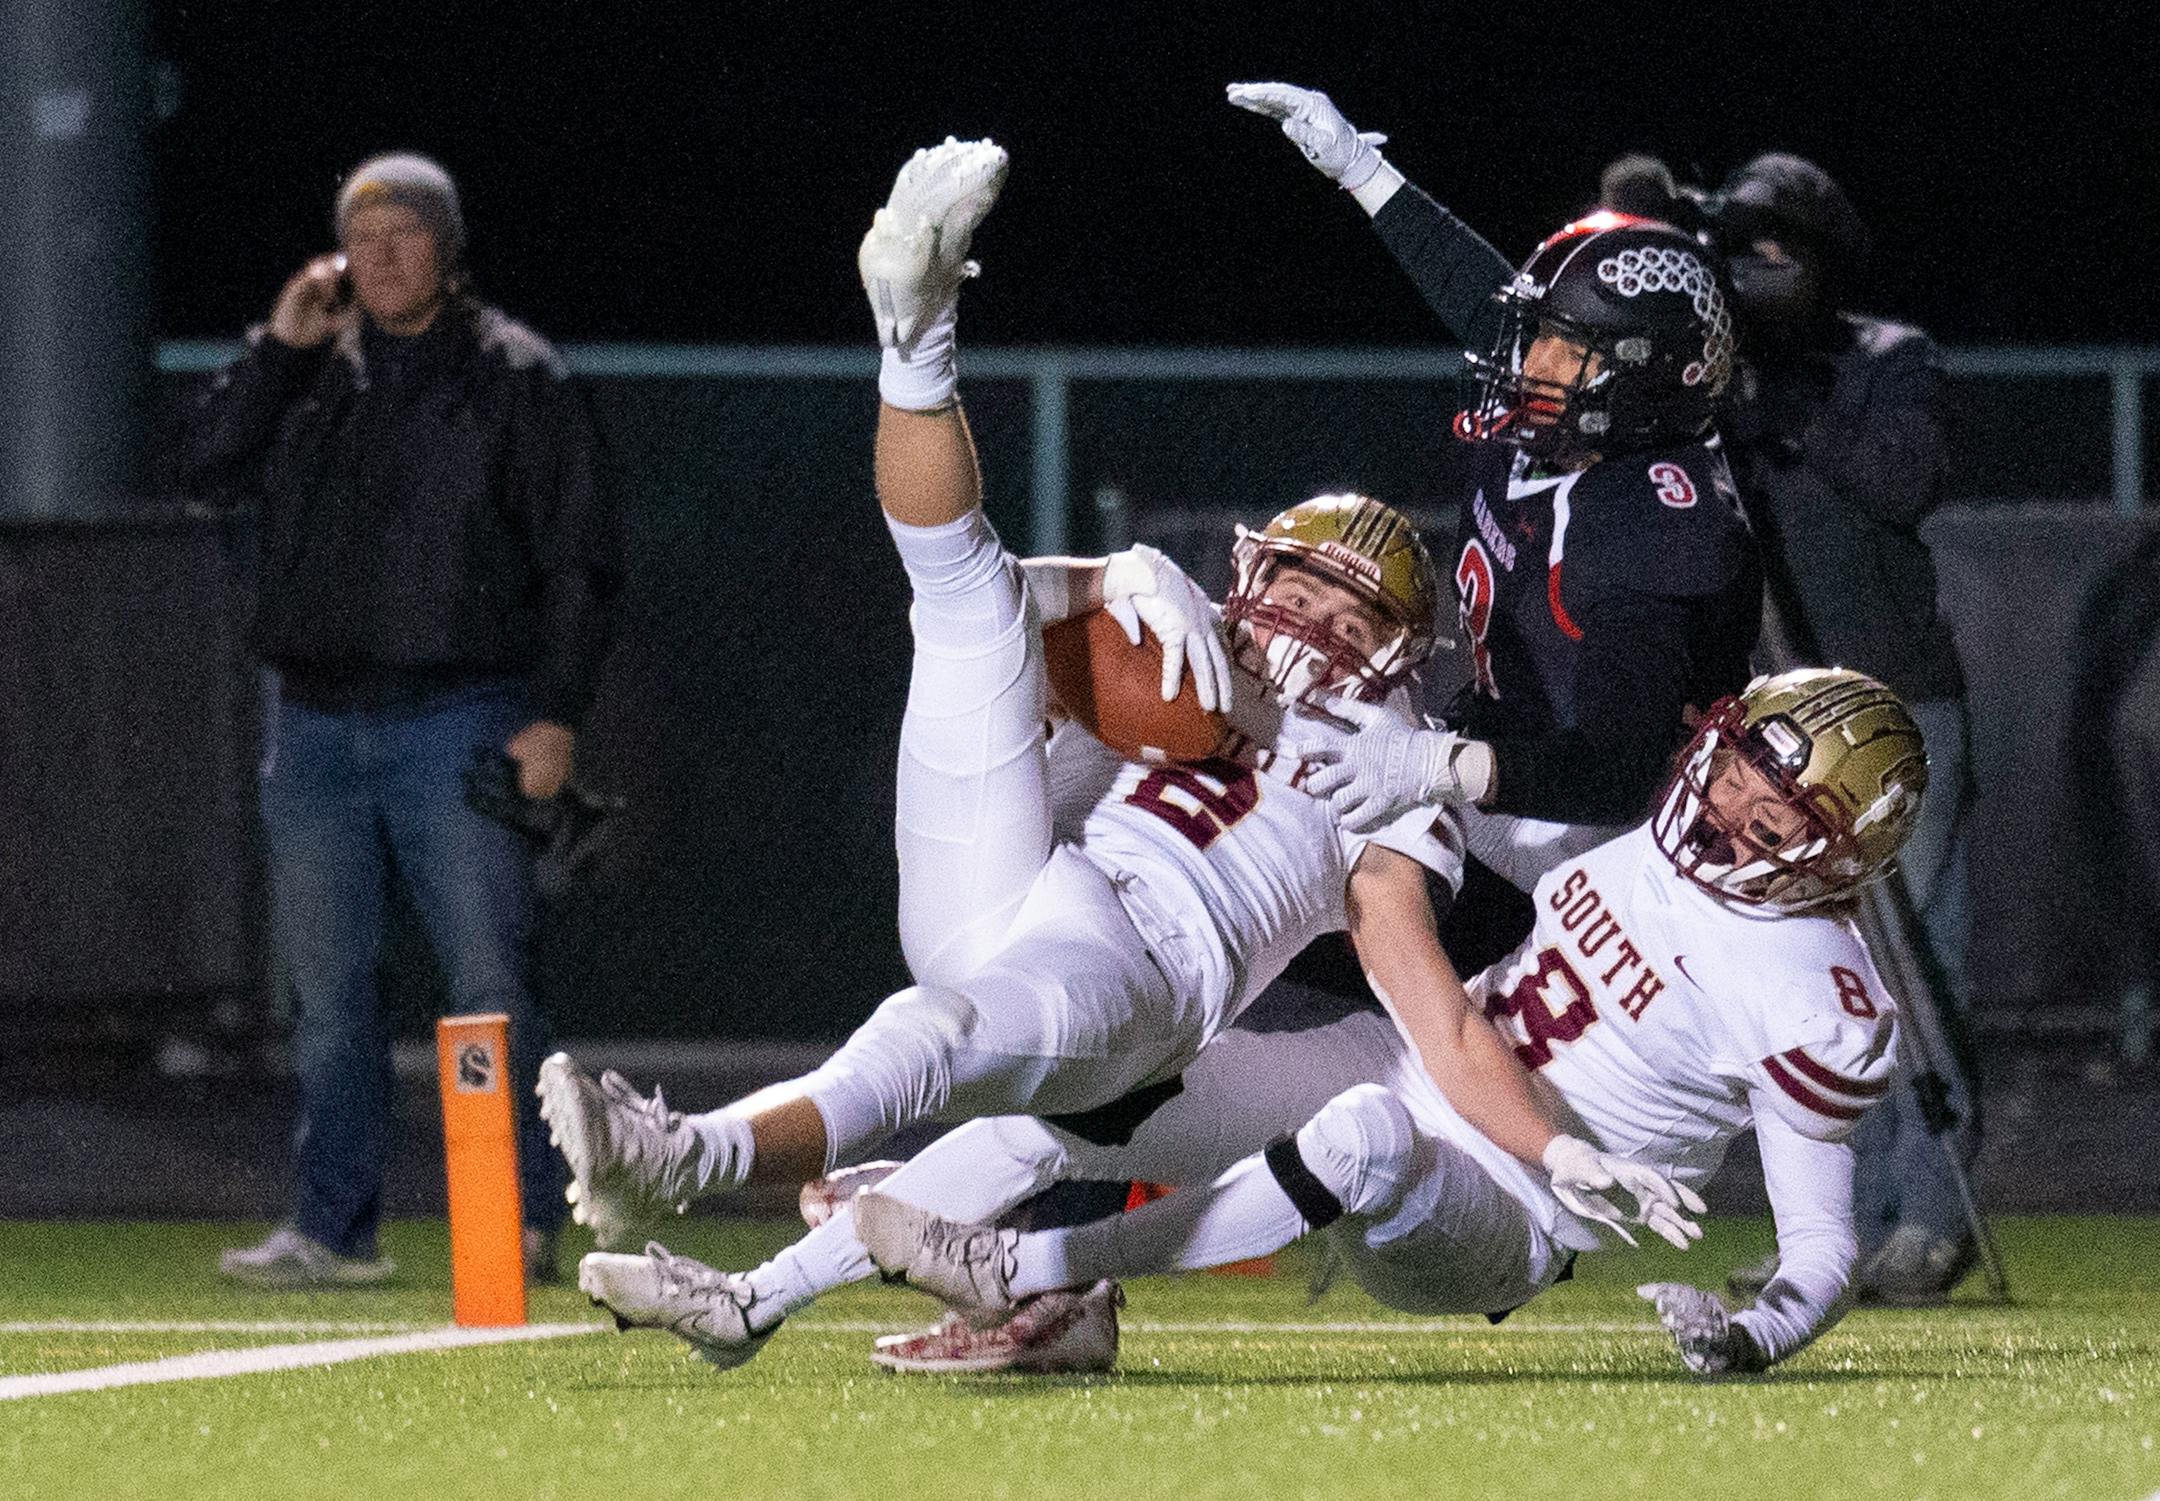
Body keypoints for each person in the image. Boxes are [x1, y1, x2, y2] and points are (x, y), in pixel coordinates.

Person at [541, 138, 1693, 1365]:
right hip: (1011, 877)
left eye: (1346, 617)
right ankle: (915, 338)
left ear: (1399, 654)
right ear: (1248, 578)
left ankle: (689, 1155)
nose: (1306, 625)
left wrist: (1554, 1144)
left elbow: (1433, 1013)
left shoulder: (1392, 771)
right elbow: (1002, 638)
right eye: (1294, 593)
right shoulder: (1186, 652)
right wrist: (1099, 577)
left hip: (1145, 972)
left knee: (942, 1039)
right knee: (967, 597)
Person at [841, 667, 1926, 1380]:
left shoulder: (1820, 997)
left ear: (1838, 849)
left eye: (1772, 812)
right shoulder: (1643, 833)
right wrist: (1386, 770)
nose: (1727, 808)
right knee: (1123, 1089)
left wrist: (1754, 1333)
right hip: (1421, 1067)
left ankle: (1033, 1268)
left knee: (1366, 1132)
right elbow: (1467, 837)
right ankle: (778, 1280)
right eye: (1735, 767)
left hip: (1509, 1215)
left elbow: (1823, 1248)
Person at [182, 153, 619, 1288]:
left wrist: (557, 715)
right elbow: (204, 465)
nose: (380, 255)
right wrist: (279, 351)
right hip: (315, 724)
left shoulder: (517, 375)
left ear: (447, 245)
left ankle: (519, 1221)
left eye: (406, 232)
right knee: (328, 998)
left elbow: (580, 561)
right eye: (360, 235)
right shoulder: (310, 375)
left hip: (461, 717)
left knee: (490, 977)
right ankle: (334, 1230)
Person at [1222, 83, 1762, 984]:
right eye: (1538, 335)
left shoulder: (1650, 523)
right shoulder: (1580, 419)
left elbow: (1617, 770)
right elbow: (1479, 294)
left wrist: (1438, 759)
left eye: (1564, 347)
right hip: (1505, 760)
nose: (1529, 362)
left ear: (1644, 378)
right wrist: (1364, 170)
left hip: (1593, 846)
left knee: (1329, 955)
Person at [1627, 151, 1979, 1303]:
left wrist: (1783, 403)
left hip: (1891, 708)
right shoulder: (1715, 375)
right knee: (1812, 972)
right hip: (1773, 732)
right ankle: (1837, 1221)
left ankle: (1929, 1214)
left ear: (1827, 264)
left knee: (1915, 966)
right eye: (1744, 255)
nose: (1760, 275)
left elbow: (1904, 479)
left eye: (1781, 255)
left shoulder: (1886, 358)